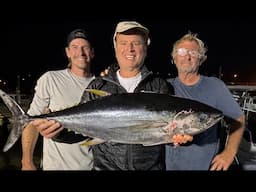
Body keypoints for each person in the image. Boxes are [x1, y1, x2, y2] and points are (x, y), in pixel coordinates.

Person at [32, 21, 192, 170]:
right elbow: (76, 134)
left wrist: (177, 140)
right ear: (115, 47)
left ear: (145, 47)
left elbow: (164, 135)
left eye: (136, 43)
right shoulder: (98, 85)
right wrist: (57, 133)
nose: (130, 49)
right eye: (123, 43)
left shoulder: (159, 85)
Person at [165, 32, 245, 170]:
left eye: (193, 53)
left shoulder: (215, 86)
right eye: (182, 51)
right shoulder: (165, 86)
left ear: (200, 59)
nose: (187, 56)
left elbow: (239, 119)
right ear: (174, 57)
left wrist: (229, 153)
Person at [21, 28, 95, 170]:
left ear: (92, 52)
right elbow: (31, 122)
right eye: (75, 47)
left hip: (90, 166)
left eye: (85, 47)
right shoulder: (50, 79)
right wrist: (27, 162)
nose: (80, 52)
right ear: (67, 52)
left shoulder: (100, 85)